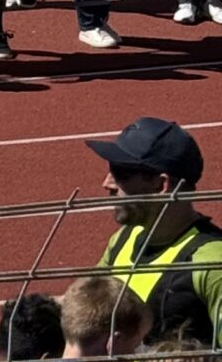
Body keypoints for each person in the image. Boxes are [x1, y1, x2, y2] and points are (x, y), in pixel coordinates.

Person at [92, 117, 222, 342]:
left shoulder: (211, 262)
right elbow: (83, 309)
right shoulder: (123, 239)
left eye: (120, 172)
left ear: (161, 185)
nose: (107, 183)